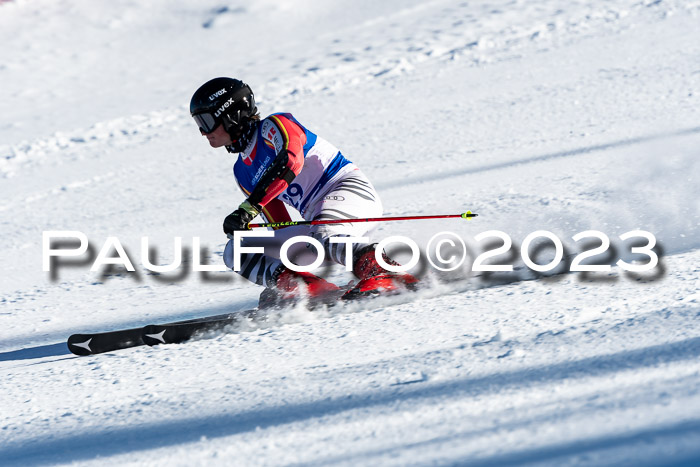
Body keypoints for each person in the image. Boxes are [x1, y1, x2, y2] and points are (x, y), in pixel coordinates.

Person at [190, 77, 417, 306]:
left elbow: (290, 162)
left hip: (349, 192)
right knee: (236, 248)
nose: (202, 132)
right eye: (199, 123)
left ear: (231, 115)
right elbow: (281, 226)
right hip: (320, 225)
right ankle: (304, 286)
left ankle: (387, 272)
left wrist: (249, 209)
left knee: (324, 230)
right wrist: (283, 273)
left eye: (206, 121)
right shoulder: (242, 171)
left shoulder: (275, 125)